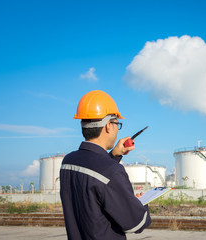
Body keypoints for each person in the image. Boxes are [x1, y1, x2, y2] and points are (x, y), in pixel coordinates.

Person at [60, 90, 152, 240]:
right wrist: (141, 204)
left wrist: (114, 156)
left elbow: (93, 183)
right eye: (117, 124)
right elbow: (135, 223)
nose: (117, 129)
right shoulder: (112, 172)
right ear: (108, 126)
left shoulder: (68, 162)